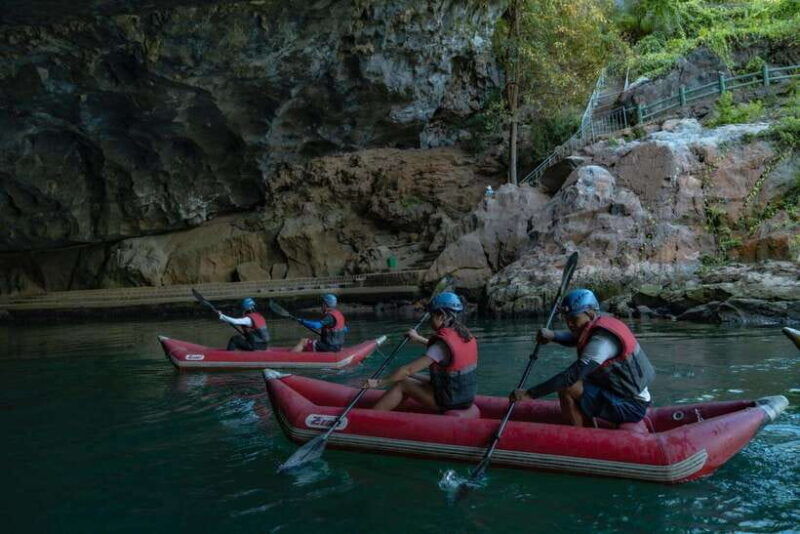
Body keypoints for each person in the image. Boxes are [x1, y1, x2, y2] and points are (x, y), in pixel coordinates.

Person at [511, 288, 655, 427]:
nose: (570, 324)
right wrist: (553, 336)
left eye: (574, 319)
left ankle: (583, 435)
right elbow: (578, 338)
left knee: (568, 387)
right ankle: (587, 424)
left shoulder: (602, 342)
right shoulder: (597, 325)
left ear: (591, 314)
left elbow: (570, 377)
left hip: (632, 406)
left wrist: (530, 394)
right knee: (578, 381)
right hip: (623, 394)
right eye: (567, 320)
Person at [364, 292, 478, 412]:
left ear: (442, 316)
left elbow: (407, 370)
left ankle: (371, 415)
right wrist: (418, 338)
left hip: (449, 401)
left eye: (432, 316)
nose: (430, 320)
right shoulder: (465, 335)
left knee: (402, 381)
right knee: (409, 376)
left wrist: (378, 383)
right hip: (464, 396)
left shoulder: (441, 345)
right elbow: (444, 351)